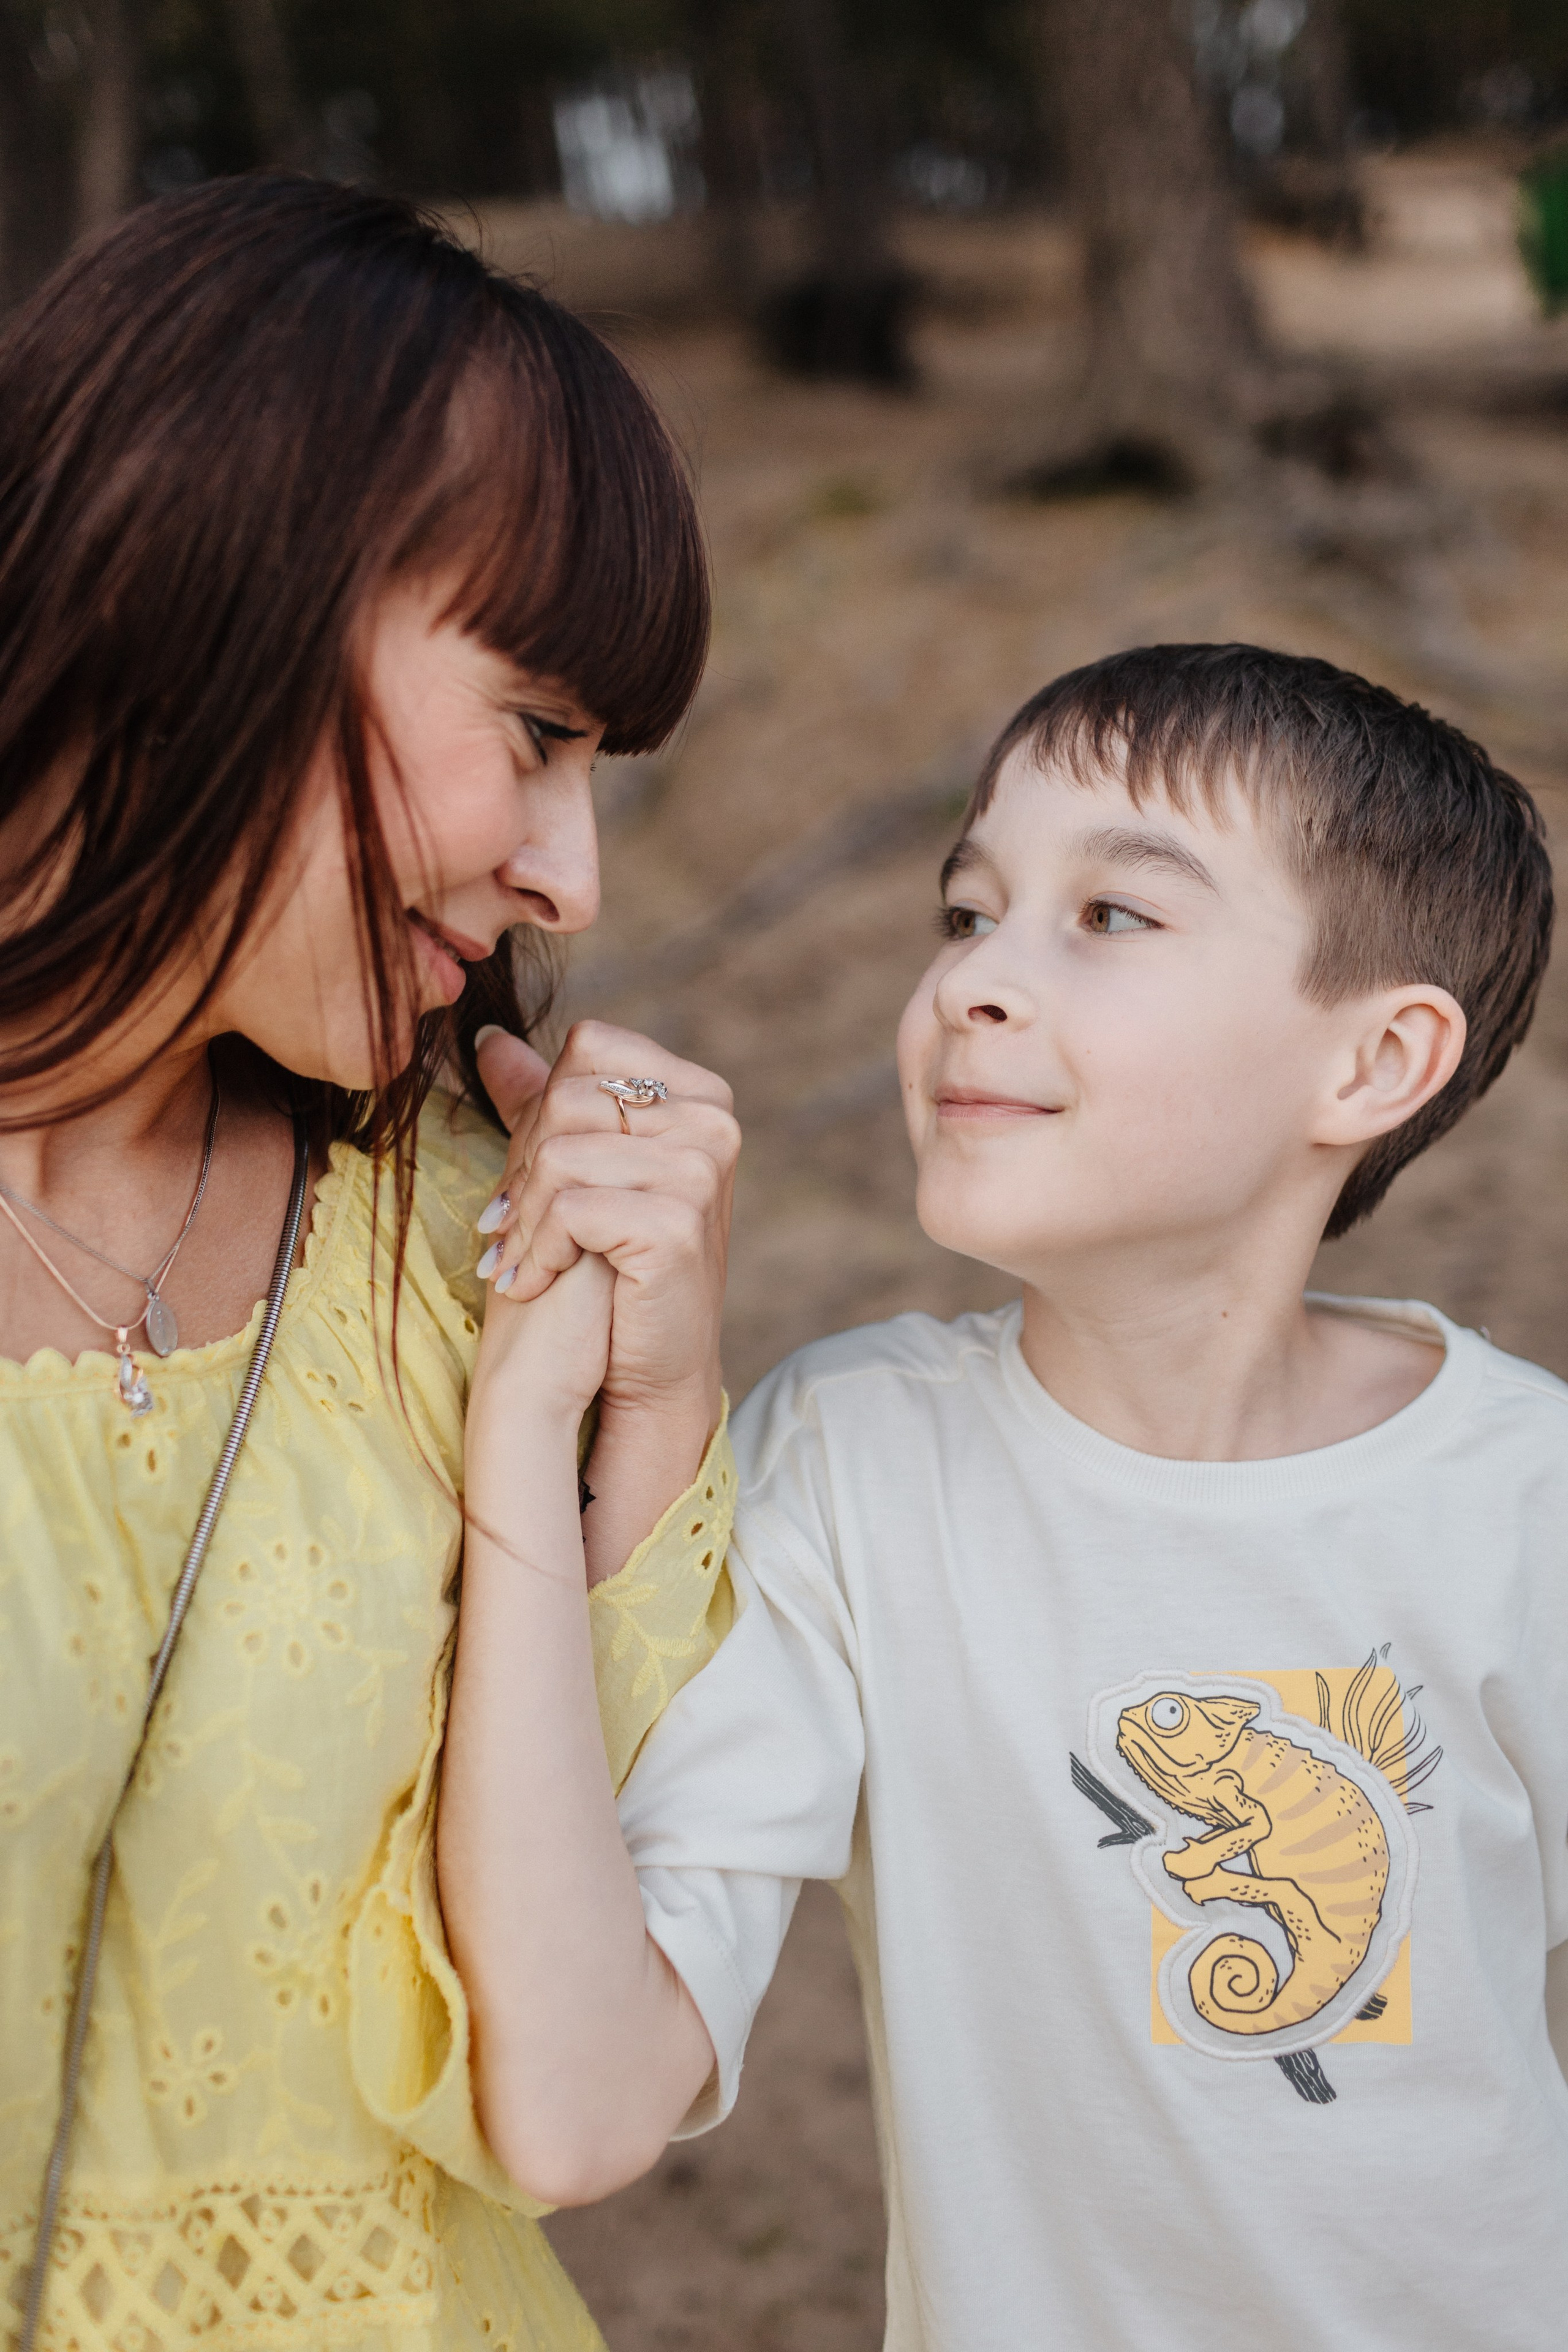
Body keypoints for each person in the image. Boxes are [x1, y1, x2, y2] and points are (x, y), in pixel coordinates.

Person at [460, 643, 1568, 2351]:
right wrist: (560, 1398)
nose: (974, 982)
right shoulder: (855, 1469)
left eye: (1114, 917)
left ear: (1374, 1065)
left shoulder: (1522, 1499)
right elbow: (584, 2099)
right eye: (967, 913)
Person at [0, 177, 738, 2352]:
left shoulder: (464, 1232)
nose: (568, 875)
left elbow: (571, 2068)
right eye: (535, 731)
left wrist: (644, 1406)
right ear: (223, 577)